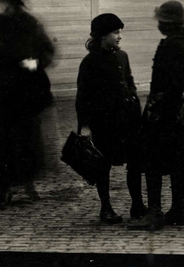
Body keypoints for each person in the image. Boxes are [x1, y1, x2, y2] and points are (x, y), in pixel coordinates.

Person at [127, 0, 184, 231]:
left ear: (168, 23)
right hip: (183, 112)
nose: (159, 25)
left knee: (152, 160)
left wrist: (153, 112)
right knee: (177, 162)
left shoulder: (170, 45)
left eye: (161, 21)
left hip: (166, 112)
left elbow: (165, 85)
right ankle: (178, 209)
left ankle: (154, 212)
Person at [0, 0, 55, 208]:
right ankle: (5, 189)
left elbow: (47, 52)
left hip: (26, 91)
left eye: (8, 3)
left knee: (27, 139)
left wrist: (32, 64)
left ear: (16, 3)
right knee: (1, 141)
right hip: (0, 92)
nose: (5, 7)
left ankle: (29, 184)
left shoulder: (31, 24)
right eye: (3, 3)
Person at [76, 12, 145, 224]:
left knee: (135, 163)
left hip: (128, 120)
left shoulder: (122, 56)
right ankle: (106, 208)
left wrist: (134, 103)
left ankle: (137, 205)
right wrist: (85, 125)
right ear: (102, 35)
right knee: (103, 165)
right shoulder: (90, 62)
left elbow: (129, 82)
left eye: (119, 32)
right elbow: (83, 96)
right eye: (115, 32)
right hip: (105, 123)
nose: (119, 36)